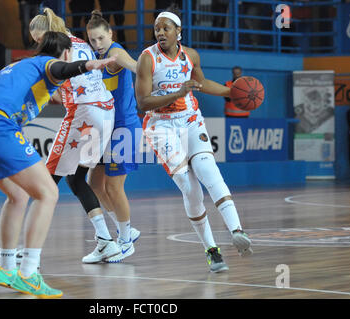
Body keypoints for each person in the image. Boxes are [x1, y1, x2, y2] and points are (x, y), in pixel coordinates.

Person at [0, 31, 117, 298]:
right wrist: (87, 65)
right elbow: (60, 67)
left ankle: (6, 268)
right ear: (67, 53)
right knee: (48, 192)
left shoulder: (17, 67)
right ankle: (29, 273)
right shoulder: (49, 64)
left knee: (17, 195)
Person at [135, 9, 252, 273]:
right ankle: (212, 250)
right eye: (157, 29)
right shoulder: (146, 59)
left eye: (166, 28)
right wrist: (177, 92)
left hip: (190, 120)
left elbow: (200, 84)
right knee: (191, 189)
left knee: (210, 172)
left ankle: (237, 230)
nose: (160, 33)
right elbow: (142, 102)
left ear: (178, 31)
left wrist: (232, 92)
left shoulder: (191, 56)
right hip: (160, 126)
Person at [29, 8, 124, 263]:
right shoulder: (80, 41)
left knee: (46, 183)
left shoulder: (55, 47)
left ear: (46, 34)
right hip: (106, 110)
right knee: (76, 178)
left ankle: (28, 253)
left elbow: (52, 89)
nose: (40, 45)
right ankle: (106, 241)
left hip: (85, 113)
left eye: (38, 40)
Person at [86, 10, 142, 262]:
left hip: (123, 127)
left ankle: (126, 240)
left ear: (110, 34)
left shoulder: (115, 53)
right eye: (92, 40)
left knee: (113, 185)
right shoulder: (94, 57)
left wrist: (150, 68)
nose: (97, 44)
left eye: (101, 38)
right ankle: (125, 228)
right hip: (104, 129)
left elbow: (134, 65)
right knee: (94, 184)